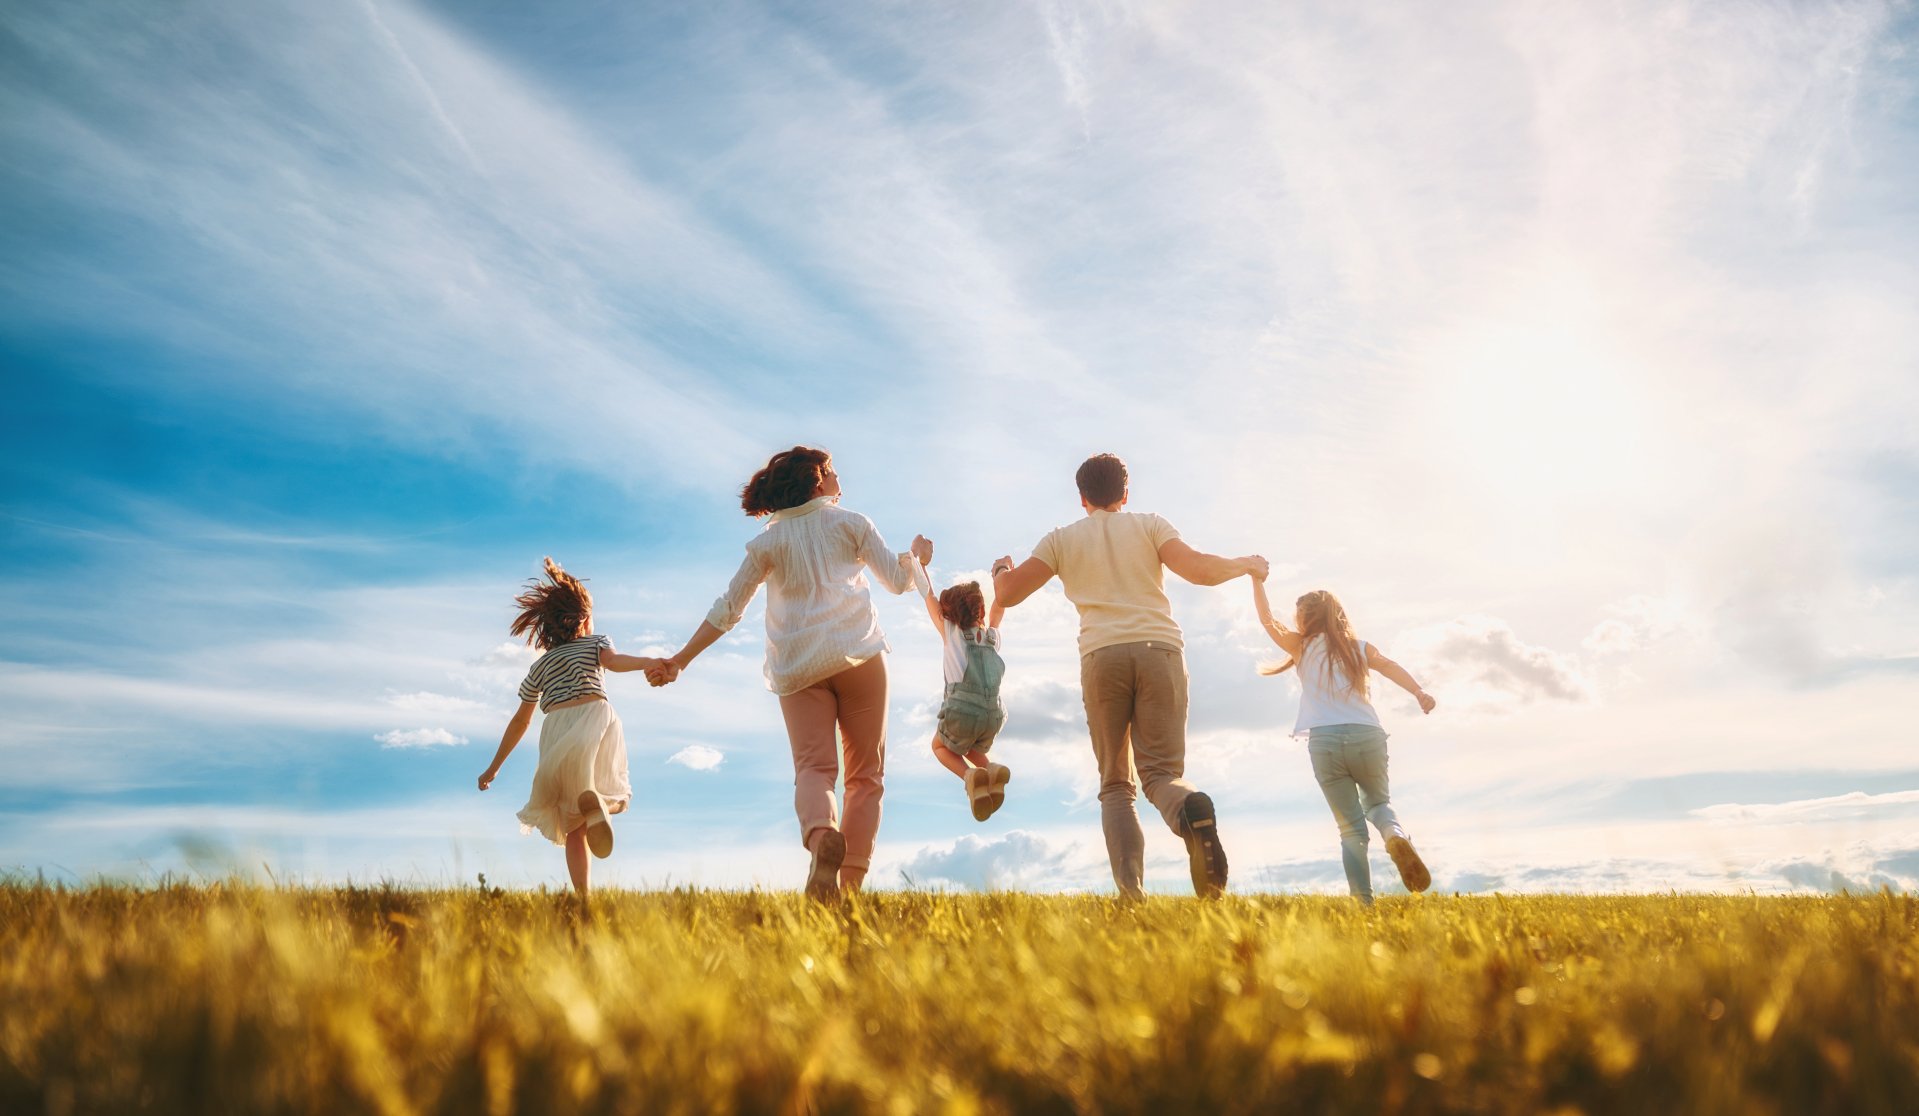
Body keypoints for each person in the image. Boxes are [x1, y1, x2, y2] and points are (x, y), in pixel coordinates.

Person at [652, 446, 929, 902]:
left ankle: (823, 840)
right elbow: (899, 584)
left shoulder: (767, 543)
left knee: (813, 770)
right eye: (835, 472)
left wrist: (680, 659)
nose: (841, 480)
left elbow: (728, 610)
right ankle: (850, 891)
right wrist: (917, 557)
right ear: (818, 481)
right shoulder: (853, 523)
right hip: (859, 657)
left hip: (799, 667)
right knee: (866, 777)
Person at [991, 453, 1267, 898]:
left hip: (1102, 658)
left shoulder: (1061, 539)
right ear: (1125, 492)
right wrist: (1246, 565)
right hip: (1160, 650)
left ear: (1081, 498)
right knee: (1160, 774)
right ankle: (1187, 808)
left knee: (1117, 783)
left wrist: (1001, 569)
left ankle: (1131, 894)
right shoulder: (1150, 525)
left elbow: (1008, 593)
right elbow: (1197, 569)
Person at [477, 557, 666, 895]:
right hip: (594, 718)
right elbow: (615, 662)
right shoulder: (596, 643)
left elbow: (521, 720)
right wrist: (647, 662)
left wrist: (493, 768)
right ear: (585, 620)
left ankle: (583, 897)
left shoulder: (540, 666)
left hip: (556, 734)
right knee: (620, 794)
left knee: (571, 826)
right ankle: (602, 808)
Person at [1251, 576, 1435, 903]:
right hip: (1367, 735)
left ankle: (1363, 904)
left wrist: (1256, 579)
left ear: (1304, 618)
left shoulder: (1300, 646)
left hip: (1325, 743)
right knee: (1378, 804)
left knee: (1351, 830)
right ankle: (1394, 835)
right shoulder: (1359, 648)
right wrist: (1418, 692)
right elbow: (1389, 665)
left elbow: (1267, 619)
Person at [912, 558, 1011, 821]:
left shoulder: (952, 632)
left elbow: (926, 592)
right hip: (993, 715)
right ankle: (990, 769)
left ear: (950, 613)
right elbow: (999, 609)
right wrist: (1002, 573)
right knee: (966, 744)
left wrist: (916, 560)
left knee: (940, 746)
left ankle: (969, 777)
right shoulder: (991, 637)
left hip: (962, 711)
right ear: (980, 613)